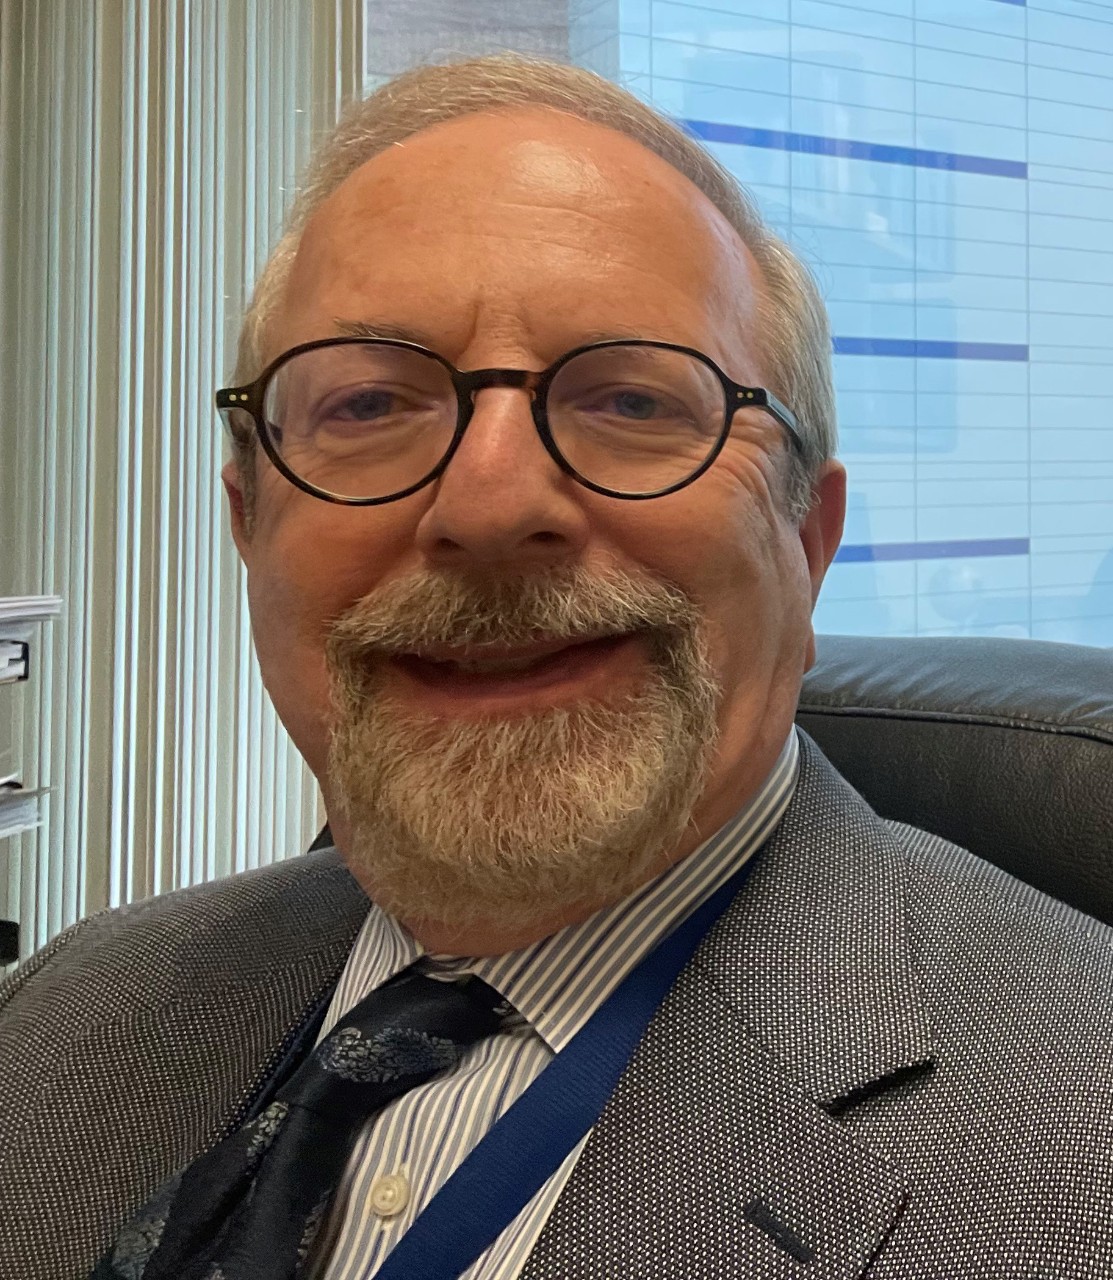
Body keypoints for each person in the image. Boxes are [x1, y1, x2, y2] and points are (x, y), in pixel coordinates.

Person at [2, 53, 1112, 1280]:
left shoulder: (1083, 1136)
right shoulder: (61, 1016)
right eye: (369, 405)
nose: (488, 503)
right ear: (248, 524)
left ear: (806, 542)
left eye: (632, 401)